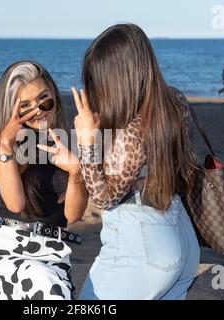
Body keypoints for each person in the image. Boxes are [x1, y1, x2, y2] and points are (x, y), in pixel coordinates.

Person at [49, 24, 200, 300]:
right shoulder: (175, 101)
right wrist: (79, 162)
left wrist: (86, 143)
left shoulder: (133, 128)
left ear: (116, 77)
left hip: (143, 245)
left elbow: (105, 197)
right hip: (181, 235)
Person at [0, 61, 89, 300]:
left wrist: (76, 171)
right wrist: (5, 146)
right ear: (14, 111)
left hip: (52, 254)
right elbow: (15, 204)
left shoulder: (71, 143)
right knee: (46, 287)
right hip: (3, 250)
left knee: (50, 286)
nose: (38, 111)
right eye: (26, 107)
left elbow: (73, 215)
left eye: (44, 100)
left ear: (54, 95)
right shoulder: (2, 142)